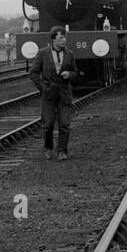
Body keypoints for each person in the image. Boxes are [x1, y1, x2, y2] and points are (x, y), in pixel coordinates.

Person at [30, 26, 77, 160]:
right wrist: (42, 88)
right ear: (53, 40)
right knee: (48, 124)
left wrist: (70, 74)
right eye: (61, 38)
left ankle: (62, 150)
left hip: (64, 93)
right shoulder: (42, 53)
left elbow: (75, 72)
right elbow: (33, 72)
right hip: (48, 94)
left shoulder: (70, 54)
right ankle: (48, 147)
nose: (64, 40)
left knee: (64, 124)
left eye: (64, 37)